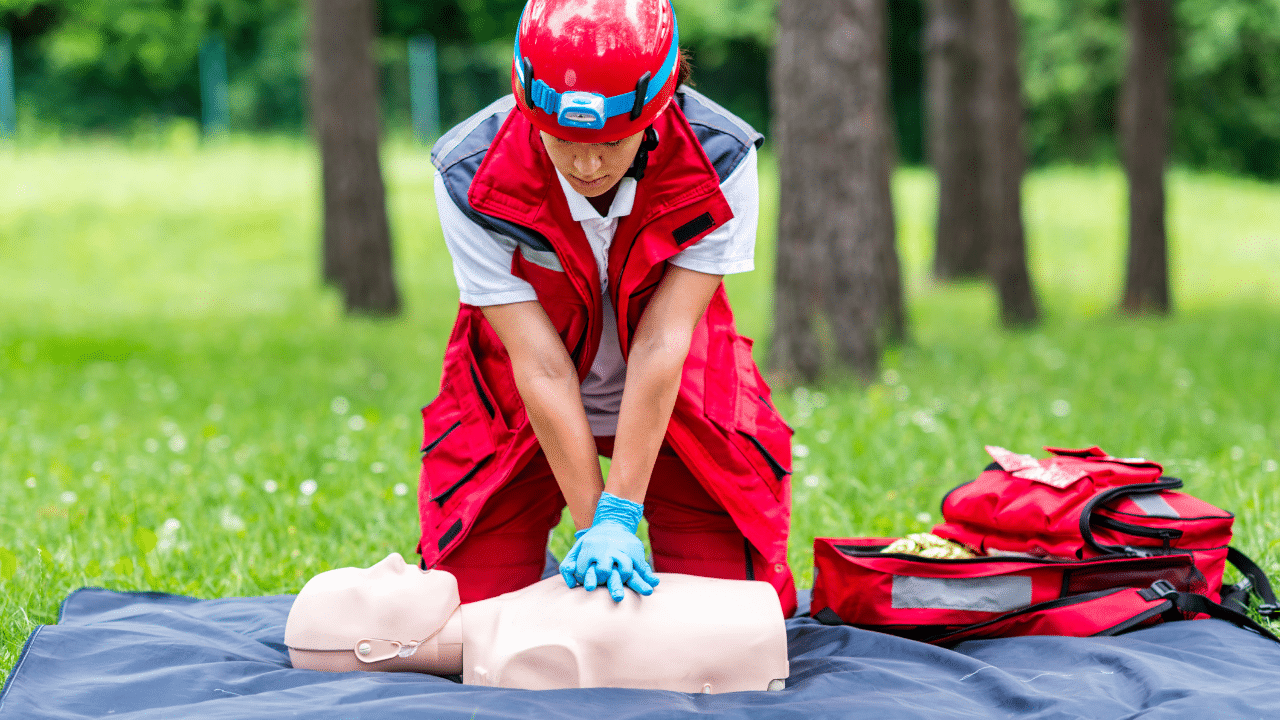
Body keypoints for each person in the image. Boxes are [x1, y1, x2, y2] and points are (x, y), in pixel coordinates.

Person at [418, 0, 796, 616]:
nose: (587, 165)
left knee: (738, 618)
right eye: (564, 141)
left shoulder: (722, 159)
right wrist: (593, 524)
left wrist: (619, 516)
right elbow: (536, 362)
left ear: (660, 106)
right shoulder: (468, 174)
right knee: (465, 619)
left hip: (681, 396)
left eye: (611, 143)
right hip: (516, 405)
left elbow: (663, 340)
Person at [284, 553, 789, 693]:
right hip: (756, 638)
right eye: (367, 584)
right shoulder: (529, 652)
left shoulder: (517, 620)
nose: (390, 558)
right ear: (371, 648)